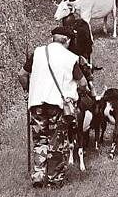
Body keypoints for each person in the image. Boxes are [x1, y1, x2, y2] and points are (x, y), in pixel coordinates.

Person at [18, 26, 92, 188]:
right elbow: (83, 83)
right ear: (68, 41)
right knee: (57, 142)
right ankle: (54, 179)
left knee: (40, 139)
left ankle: (38, 175)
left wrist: (29, 90)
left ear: (53, 39)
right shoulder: (70, 58)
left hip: (36, 104)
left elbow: (22, 75)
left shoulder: (37, 53)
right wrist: (79, 94)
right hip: (58, 106)